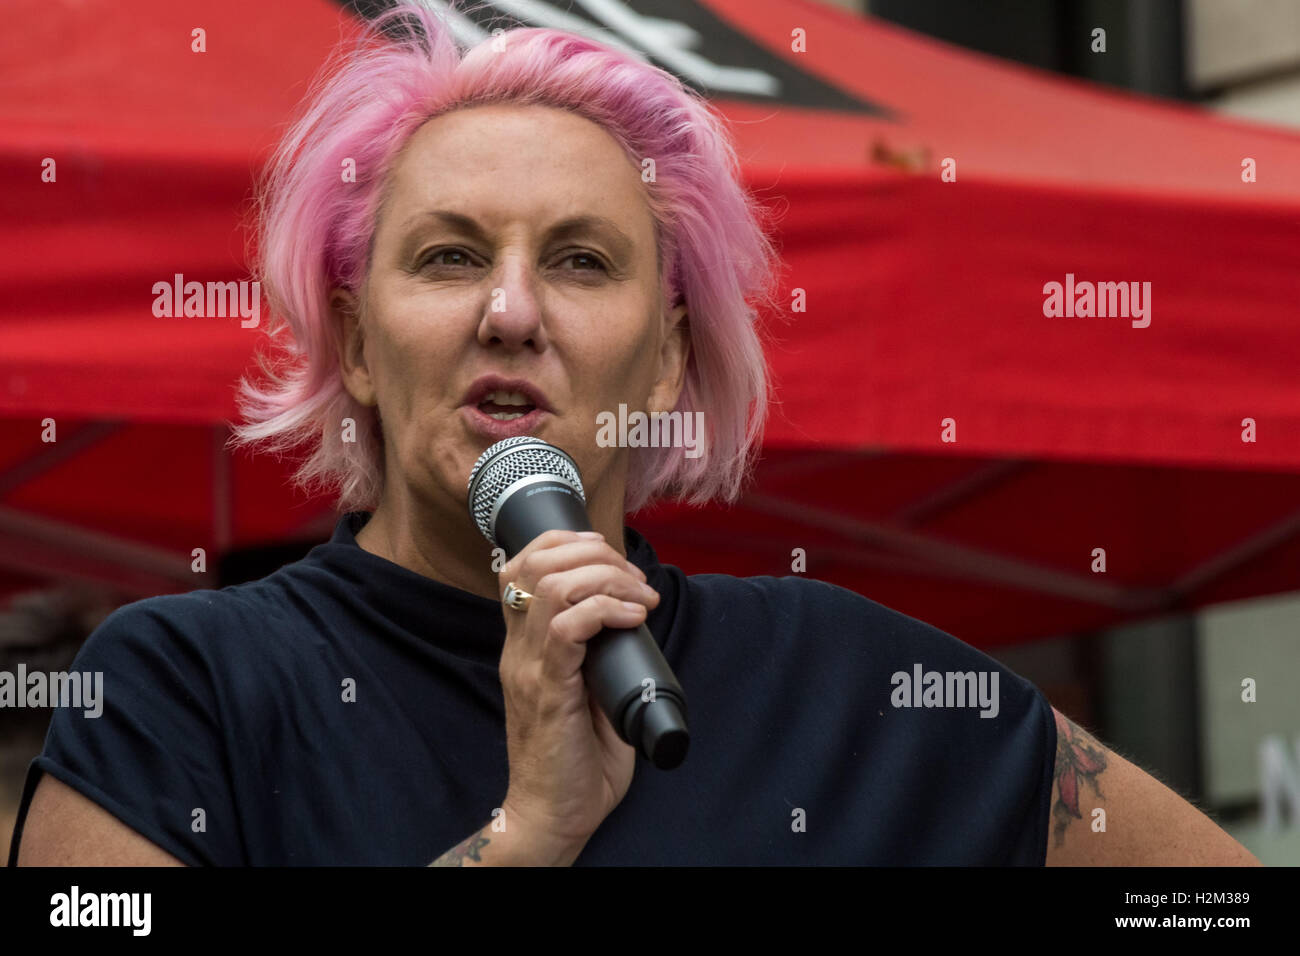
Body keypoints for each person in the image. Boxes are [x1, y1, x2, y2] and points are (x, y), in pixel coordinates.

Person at [11, 1, 1257, 867]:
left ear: (665, 352)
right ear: (355, 335)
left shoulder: (847, 682)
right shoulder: (181, 688)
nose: (511, 311)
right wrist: (525, 835)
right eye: (447, 257)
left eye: (581, 260)